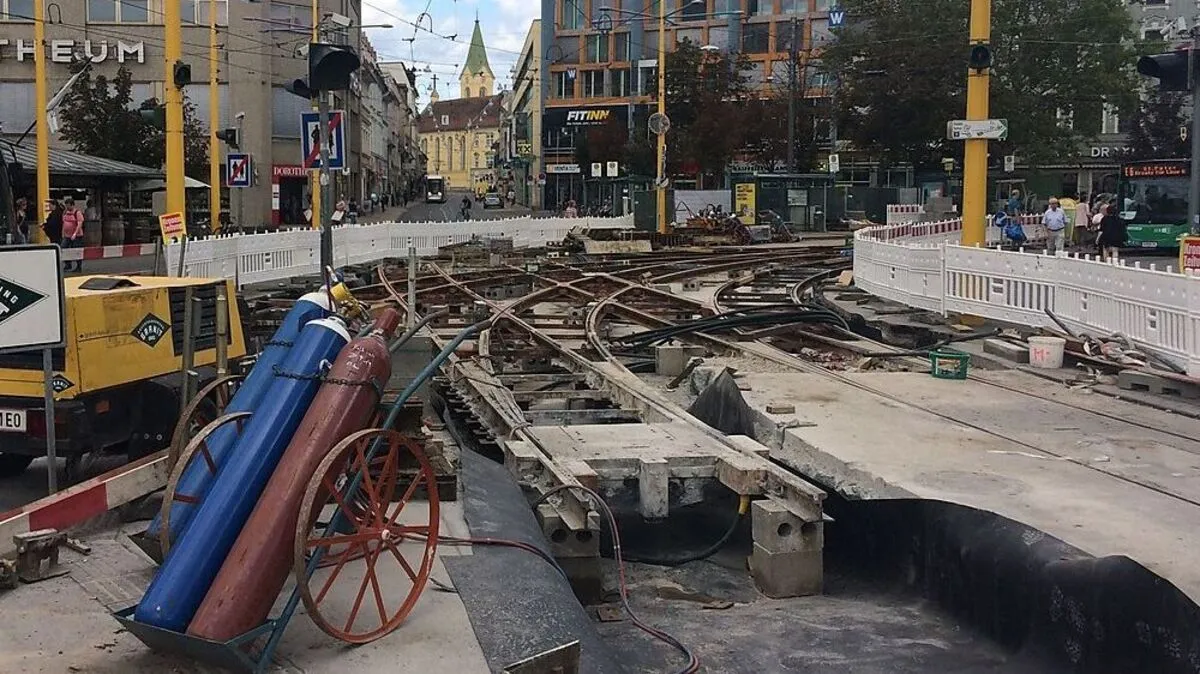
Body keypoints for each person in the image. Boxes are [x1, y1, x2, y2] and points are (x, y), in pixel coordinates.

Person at [61, 196, 85, 272]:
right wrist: (63, 233)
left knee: (76, 250)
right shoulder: (65, 213)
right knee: (63, 248)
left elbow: (79, 224)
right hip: (67, 235)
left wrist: (75, 233)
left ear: (72, 205)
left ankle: (78, 266)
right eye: (66, 205)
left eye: (68, 205)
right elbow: (64, 223)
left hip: (77, 236)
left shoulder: (77, 213)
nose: (67, 207)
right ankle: (68, 264)